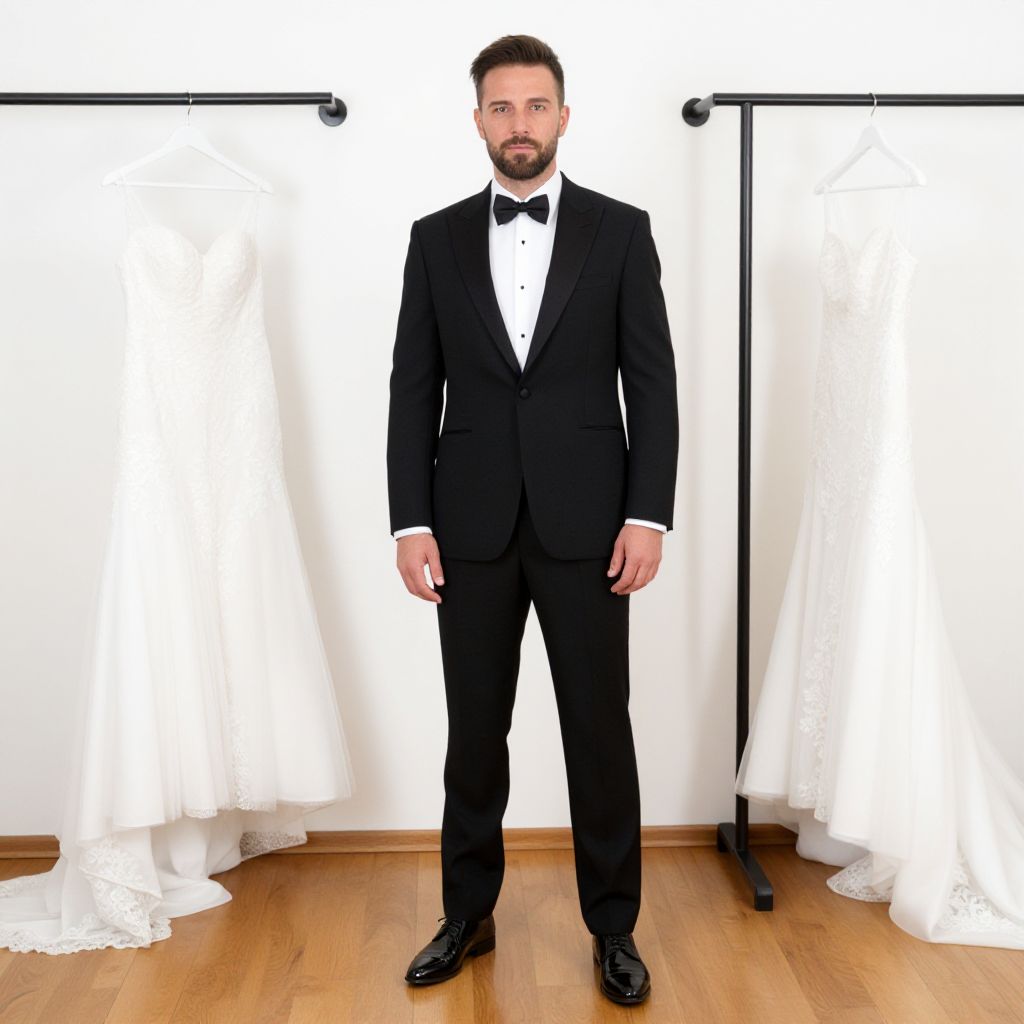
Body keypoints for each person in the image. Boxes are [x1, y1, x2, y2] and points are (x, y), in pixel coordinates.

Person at [386, 33, 678, 1006]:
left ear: (563, 114)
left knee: (599, 731)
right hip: (464, 527)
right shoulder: (432, 239)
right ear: (479, 120)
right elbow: (410, 391)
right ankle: (466, 915)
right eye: (501, 108)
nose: (519, 124)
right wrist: (407, 522)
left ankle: (613, 928)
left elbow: (653, 386)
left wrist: (647, 514)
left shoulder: (622, 231)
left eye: (535, 105)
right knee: (475, 732)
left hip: (591, 526)